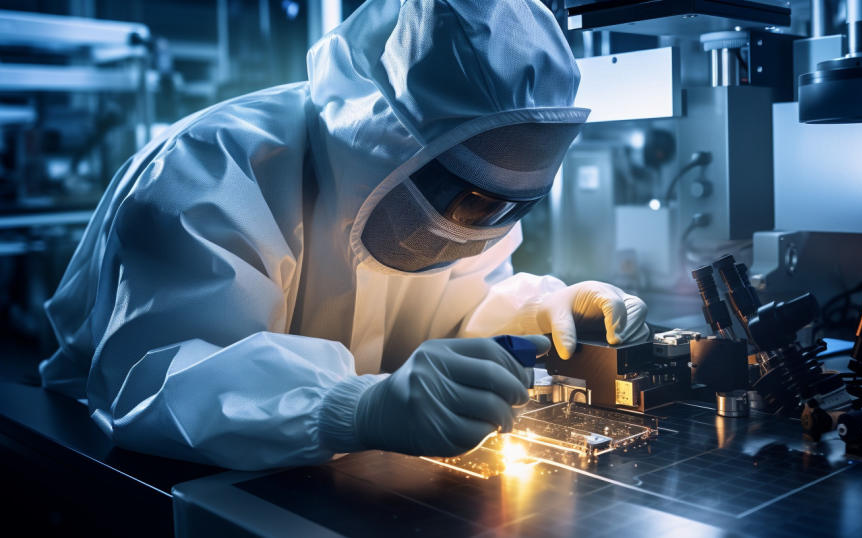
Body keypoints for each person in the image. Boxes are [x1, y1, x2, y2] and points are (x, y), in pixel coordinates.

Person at [39, 0, 649, 470]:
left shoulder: (442, 193)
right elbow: (157, 379)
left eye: (507, 206)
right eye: (469, 196)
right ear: (394, 141)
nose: (477, 226)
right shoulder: (212, 169)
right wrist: (351, 406)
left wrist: (533, 312)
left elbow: (457, 310)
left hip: (329, 466)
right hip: (133, 470)